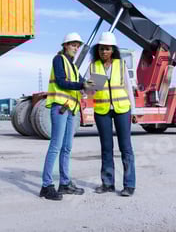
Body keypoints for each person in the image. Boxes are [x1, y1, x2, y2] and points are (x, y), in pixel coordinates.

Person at [39, 32, 95, 201]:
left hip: (72, 109)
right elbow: (61, 82)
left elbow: (80, 84)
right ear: (65, 45)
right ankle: (46, 186)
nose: (75, 48)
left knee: (67, 147)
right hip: (60, 108)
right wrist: (81, 84)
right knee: (56, 146)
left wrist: (89, 86)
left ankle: (64, 183)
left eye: (77, 46)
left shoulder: (73, 65)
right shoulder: (59, 60)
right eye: (73, 45)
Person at [87, 32, 136, 197]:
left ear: (113, 50)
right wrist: (86, 88)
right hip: (102, 111)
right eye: (101, 49)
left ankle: (129, 185)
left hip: (122, 109)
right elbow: (93, 91)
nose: (104, 52)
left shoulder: (120, 65)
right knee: (106, 148)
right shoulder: (94, 67)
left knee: (126, 148)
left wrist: (134, 110)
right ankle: (107, 184)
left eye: (107, 49)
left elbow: (128, 88)